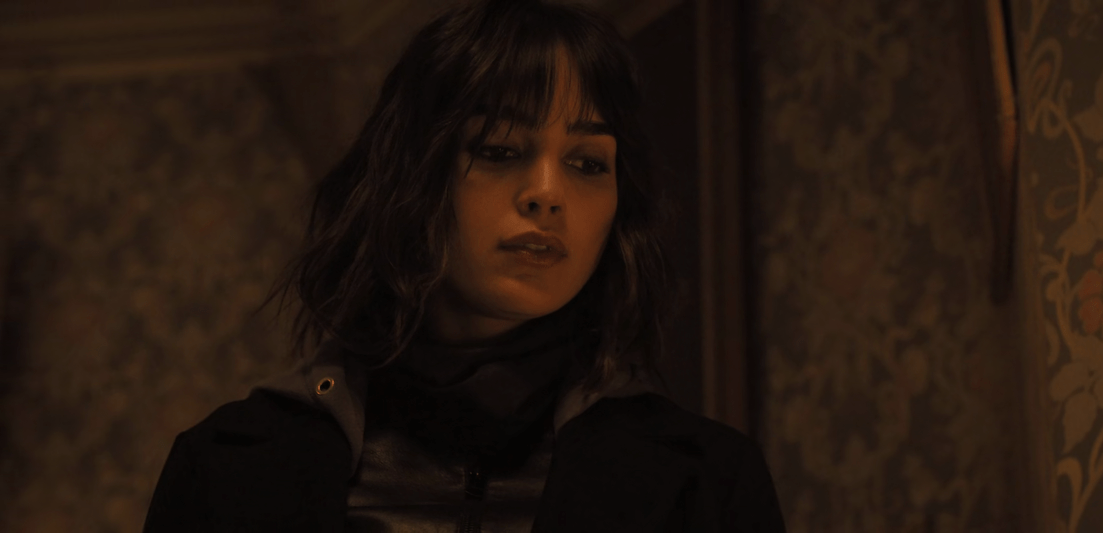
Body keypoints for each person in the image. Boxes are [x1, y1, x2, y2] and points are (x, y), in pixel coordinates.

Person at [142, 0, 785, 531]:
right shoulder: (230, 465)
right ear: (411, 176)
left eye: (588, 163)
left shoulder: (705, 481)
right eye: (500, 150)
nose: (547, 193)